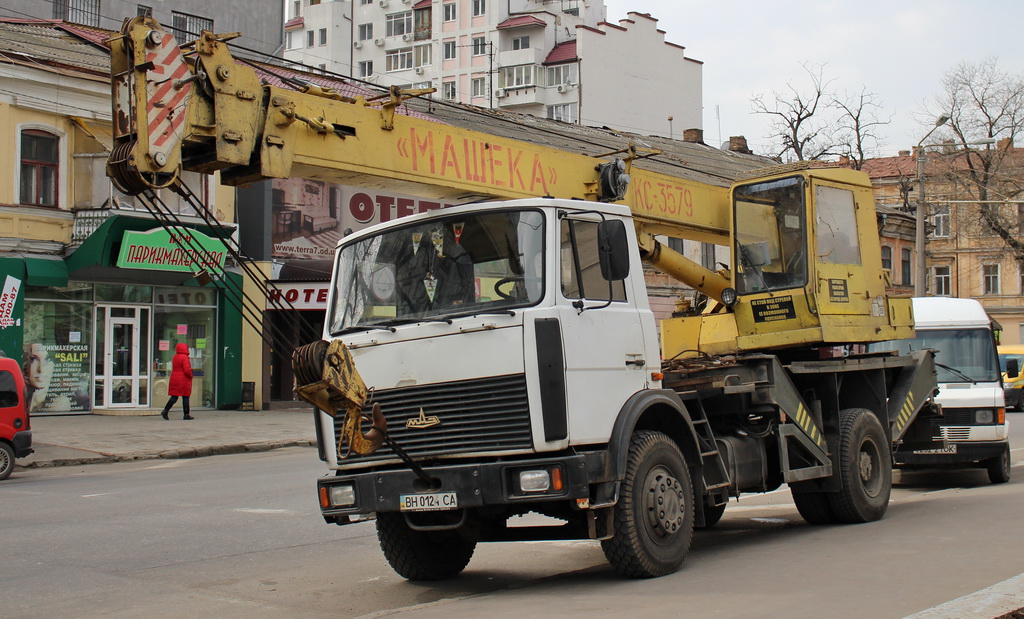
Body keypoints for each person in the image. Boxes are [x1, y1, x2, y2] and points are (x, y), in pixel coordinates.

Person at [160, 343, 194, 420]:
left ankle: (165, 410)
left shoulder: (175, 357)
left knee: (174, 396)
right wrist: (191, 376)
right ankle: (186, 414)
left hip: (174, 378)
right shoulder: (185, 357)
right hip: (183, 379)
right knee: (185, 397)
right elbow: (187, 369)